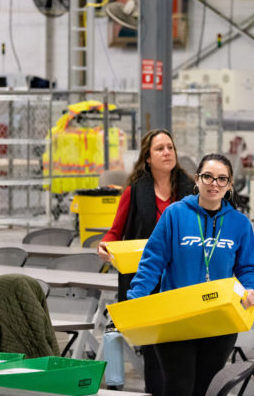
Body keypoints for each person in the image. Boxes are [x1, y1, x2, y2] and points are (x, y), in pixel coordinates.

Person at [127, 153, 254, 396]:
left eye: (222, 179)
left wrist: (250, 289)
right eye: (208, 177)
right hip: (177, 318)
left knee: (207, 388)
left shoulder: (240, 224)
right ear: (197, 180)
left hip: (219, 319)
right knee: (178, 386)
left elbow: (248, 268)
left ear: (229, 185)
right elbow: (152, 261)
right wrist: (136, 298)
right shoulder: (175, 214)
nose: (214, 184)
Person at [96, 129, 193, 395]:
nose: (167, 153)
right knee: (153, 351)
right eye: (160, 148)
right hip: (149, 281)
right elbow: (115, 232)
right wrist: (105, 245)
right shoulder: (135, 192)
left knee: (182, 349)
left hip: (184, 280)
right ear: (147, 158)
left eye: (170, 147)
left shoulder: (191, 190)